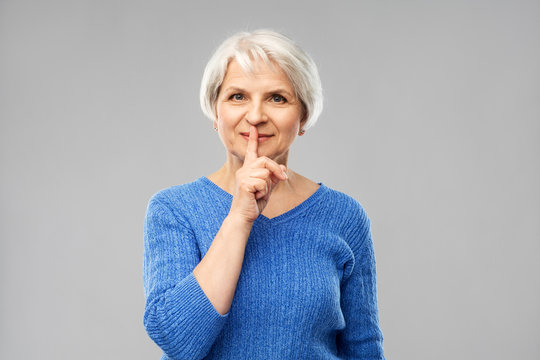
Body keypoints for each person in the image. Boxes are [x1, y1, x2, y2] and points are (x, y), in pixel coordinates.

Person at [143, 29, 385, 360]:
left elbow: (364, 347)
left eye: (277, 98)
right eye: (237, 96)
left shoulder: (344, 216)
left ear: (303, 116)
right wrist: (240, 218)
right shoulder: (174, 210)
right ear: (216, 112)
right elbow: (177, 340)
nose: (256, 116)